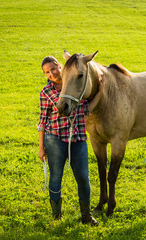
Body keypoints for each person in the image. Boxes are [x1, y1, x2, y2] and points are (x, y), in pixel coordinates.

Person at [38, 56, 102, 225]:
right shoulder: (46, 92)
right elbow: (42, 121)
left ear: (61, 66)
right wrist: (41, 147)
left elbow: (88, 108)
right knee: (56, 176)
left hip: (78, 137)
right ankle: (56, 216)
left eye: (53, 68)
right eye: (47, 72)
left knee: (83, 177)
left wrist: (102, 89)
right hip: (55, 139)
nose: (51, 73)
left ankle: (86, 216)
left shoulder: (75, 83)